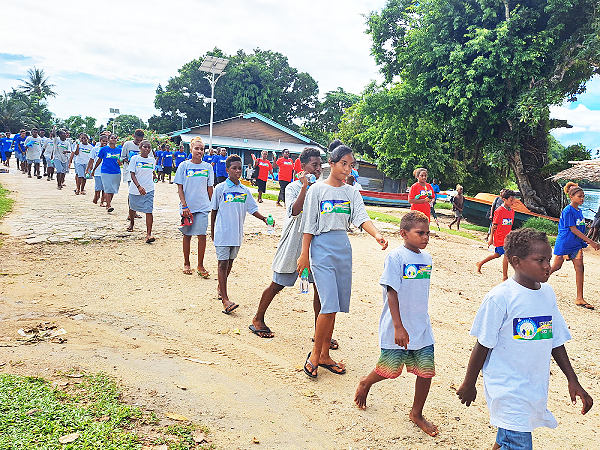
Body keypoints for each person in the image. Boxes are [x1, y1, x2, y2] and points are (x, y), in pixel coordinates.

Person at [457, 228, 593, 450]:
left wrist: (573, 379)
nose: (547, 266)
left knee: (507, 440)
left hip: (533, 386)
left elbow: (555, 340)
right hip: (508, 389)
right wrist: (469, 382)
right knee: (518, 442)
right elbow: (483, 344)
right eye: (539, 260)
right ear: (516, 261)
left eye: (548, 259)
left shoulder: (547, 293)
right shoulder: (500, 298)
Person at [297, 145, 388, 378]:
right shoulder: (317, 190)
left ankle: (325, 354)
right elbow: (308, 224)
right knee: (327, 303)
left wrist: (377, 234)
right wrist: (304, 255)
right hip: (320, 248)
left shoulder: (352, 193)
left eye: (351, 165)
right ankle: (315, 354)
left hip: (342, 249)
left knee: (334, 305)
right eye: (344, 164)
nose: (348, 169)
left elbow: (361, 217)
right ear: (333, 163)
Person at [354, 210, 438, 436]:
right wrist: (399, 326)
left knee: (425, 371)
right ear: (403, 233)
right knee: (390, 370)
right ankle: (366, 382)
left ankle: (416, 413)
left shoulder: (427, 259)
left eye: (428, 233)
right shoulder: (396, 257)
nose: (425, 237)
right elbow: (391, 292)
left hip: (421, 326)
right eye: (420, 233)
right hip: (397, 325)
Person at [251, 147, 323, 339]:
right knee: (277, 284)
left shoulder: (322, 188)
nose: (317, 169)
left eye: (319, 165)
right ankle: (258, 318)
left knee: (320, 289)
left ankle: (320, 332)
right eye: (314, 165)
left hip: (314, 245)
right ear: (303, 166)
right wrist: (304, 187)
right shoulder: (292, 188)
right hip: (293, 243)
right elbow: (295, 211)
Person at [211, 154, 270, 314]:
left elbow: (252, 209)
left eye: (239, 168)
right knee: (222, 264)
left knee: (229, 263)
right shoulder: (220, 188)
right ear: (227, 170)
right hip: (222, 233)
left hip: (236, 234)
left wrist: (264, 218)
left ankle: (220, 287)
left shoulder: (244, 190)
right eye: (234, 168)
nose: (237, 171)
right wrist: (212, 231)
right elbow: (214, 211)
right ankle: (225, 299)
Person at [549, 182, 600, 309]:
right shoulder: (568, 211)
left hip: (576, 245)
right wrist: (591, 241)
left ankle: (579, 298)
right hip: (566, 243)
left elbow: (580, 228)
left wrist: (583, 242)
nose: (582, 198)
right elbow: (573, 229)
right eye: (579, 196)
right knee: (556, 267)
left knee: (580, 269)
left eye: (583, 196)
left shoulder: (579, 211)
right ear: (571, 197)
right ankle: (535, 283)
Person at [175, 137, 214, 276]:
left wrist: (213, 205)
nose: (199, 151)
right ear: (191, 149)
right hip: (187, 207)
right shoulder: (184, 166)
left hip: (203, 206)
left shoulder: (208, 167)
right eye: (196, 148)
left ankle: (200, 265)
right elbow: (180, 187)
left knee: (202, 235)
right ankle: (186, 263)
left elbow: (210, 189)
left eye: (201, 149)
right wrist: (184, 205)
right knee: (187, 235)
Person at [476, 189, 516, 281]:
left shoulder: (512, 211)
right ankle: (505, 277)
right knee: (506, 254)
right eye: (511, 200)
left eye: (514, 199)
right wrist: (491, 239)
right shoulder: (499, 211)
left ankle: (480, 263)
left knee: (497, 255)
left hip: (507, 237)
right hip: (500, 237)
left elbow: (509, 226)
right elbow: (494, 226)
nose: (513, 202)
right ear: (504, 199)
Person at [127, 140, 156, 243]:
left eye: (149, 147)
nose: (147, 149)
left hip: (149, 189)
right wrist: (138, 186)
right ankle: (132, 223)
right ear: (140, 148)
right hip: (135, 189)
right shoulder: (135, 159)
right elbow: (132, 174)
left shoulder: (152, 160)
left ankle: (148, 234)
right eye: (145, 147)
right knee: (132, 207)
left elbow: (152, 171)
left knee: (149, 210)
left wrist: (154, 175)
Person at [92, 134, 122, 213]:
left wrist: (120, 162)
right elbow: (99, 160)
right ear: (108, 140)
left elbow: (121, 162)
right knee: (107, 188)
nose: (113, 139)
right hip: (106, 171)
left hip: (116, 172)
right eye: (112, 138)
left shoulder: (119, 150)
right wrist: (94, 169)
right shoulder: (104, 149)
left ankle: (109, 202)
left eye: (115, 138)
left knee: (113, 189)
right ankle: (108, 205)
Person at [86, 135, 108, 206]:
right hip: (97, 170)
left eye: (106, 141)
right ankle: (96, 196)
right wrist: (88, 169)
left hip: (106, 170)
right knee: (98, 186)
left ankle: (102, 201)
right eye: (103, 141)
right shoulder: (95, 149)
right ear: (100, 141)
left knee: (105, 187)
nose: (104, 142)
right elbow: (91, 159)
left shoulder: (108, 149)